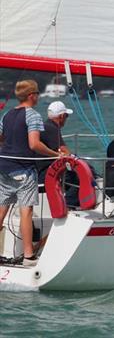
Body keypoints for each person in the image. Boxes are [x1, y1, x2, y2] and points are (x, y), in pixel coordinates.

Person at [0, 80, 66, 266]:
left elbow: (1, 138)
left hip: (4, 166)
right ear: (31, 96)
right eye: (37, 93)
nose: (38, 96)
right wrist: (56, 155)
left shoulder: (7, 114)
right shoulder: (33, 115)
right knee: (26, 211)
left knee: (2, 208)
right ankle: (29, 256)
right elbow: (34, 144)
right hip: (24, 169)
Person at [36, 101, 73, 182]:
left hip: (38, 170)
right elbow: (66, 152)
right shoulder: (52, 129)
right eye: (66, 116)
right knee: (74, 177)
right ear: (61, 116)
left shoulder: (45, 125)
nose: (66, 118)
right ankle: (69, 195)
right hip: (45, 173)